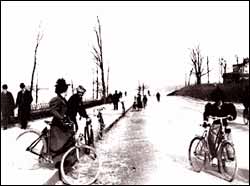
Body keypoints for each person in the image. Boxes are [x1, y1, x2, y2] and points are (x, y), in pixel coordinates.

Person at [203, 86, 237, 165]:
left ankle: (230, 154)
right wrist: (206, 120)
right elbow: (206, 114)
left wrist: (231, 116)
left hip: (224, 125)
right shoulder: (211, 107)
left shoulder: (227, 107)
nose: (219, 103)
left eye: (220, 101)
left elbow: (233, 113)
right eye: (217, 101)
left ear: (222, 100)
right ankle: (214, 156)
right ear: (215, 100)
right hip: (215, 125)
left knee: (228, 137)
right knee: (212, 138)